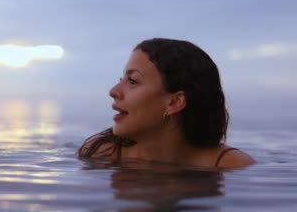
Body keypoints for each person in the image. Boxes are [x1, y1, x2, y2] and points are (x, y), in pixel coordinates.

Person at [78, 38, 254, 169]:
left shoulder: (231, 166)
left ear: (174, 102)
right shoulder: (101, 151)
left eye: (132, 81)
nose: (113, 91)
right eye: (121, 79)